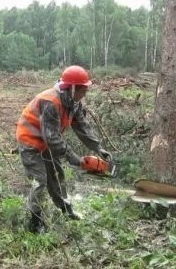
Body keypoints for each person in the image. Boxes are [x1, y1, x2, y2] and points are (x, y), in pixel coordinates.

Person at [16, 65, 111, 234]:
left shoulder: (73, 103)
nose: (84, 94)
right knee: (41, 181)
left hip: (47, 142)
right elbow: (52, 138)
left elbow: (82, 126)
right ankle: (35, 222)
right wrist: (73, 157)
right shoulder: (50, 102)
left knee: (57, 176)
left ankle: (66, 210)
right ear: (71, 88)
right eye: (82, 90)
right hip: (30, 142)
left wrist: (98, 148)